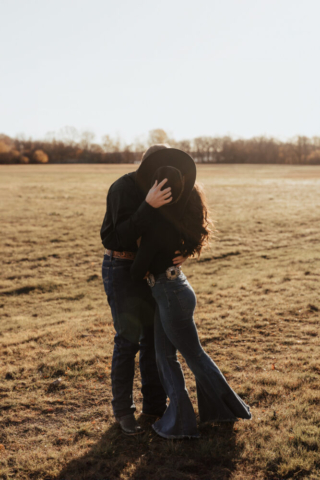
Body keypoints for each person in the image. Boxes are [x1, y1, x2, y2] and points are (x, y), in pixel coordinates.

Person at [130, 149, 252, 439]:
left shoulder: (158, 222)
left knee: (193, 354)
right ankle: (182, 418)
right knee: (163, 356)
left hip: (170, 292)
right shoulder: (171, 214)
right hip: (172, 289)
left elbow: (136, 270)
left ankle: (227, 409)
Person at [100, 144, 188, 435]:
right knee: (127, 341)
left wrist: (186, 251)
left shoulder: (168, 188)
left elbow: (180, 227)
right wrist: (147, 206)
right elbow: (113, 237)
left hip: (153, 272)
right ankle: (123, 412)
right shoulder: (122, 188)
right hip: (121, 269)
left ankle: (154, 407)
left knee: (154, 340)